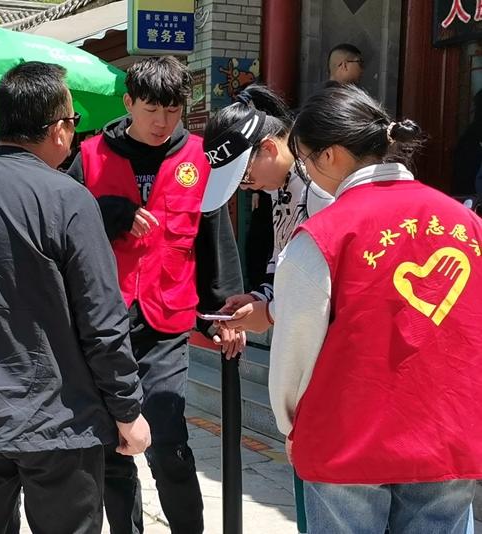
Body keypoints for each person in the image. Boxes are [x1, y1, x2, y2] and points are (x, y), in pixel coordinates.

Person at [0, 60, 150, 534]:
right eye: (73, 121)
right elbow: (102, 320)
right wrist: (127, 409)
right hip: (59, 418)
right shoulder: (69, 199)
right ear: (57, 129)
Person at [270, 84, 482, 533]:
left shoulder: (322, 236)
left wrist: (291, 424)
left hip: (348, 435)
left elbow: (294, 353)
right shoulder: (468, 225)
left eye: (305, 160)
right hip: (448, 430)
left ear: (330, 156)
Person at [67, 56, 244, 534]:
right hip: (103, 322)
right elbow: (65, 229)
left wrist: (224, 312)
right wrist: (110, 213)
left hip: (167, 321)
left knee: (168, 441)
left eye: (173, 110)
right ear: (128, 103)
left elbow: (214, 237)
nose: (162, 122)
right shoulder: (90, 156)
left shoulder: (199, 158)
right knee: (112, 445)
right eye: (151, 110)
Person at [202, 85, 333, 331]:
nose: (244, 187)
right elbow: (282, 254)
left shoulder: (320, 185)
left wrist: (270, 313)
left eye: (244, 177)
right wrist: (259, 297)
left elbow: (328, 278)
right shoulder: (280, 184)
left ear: (269, 148)